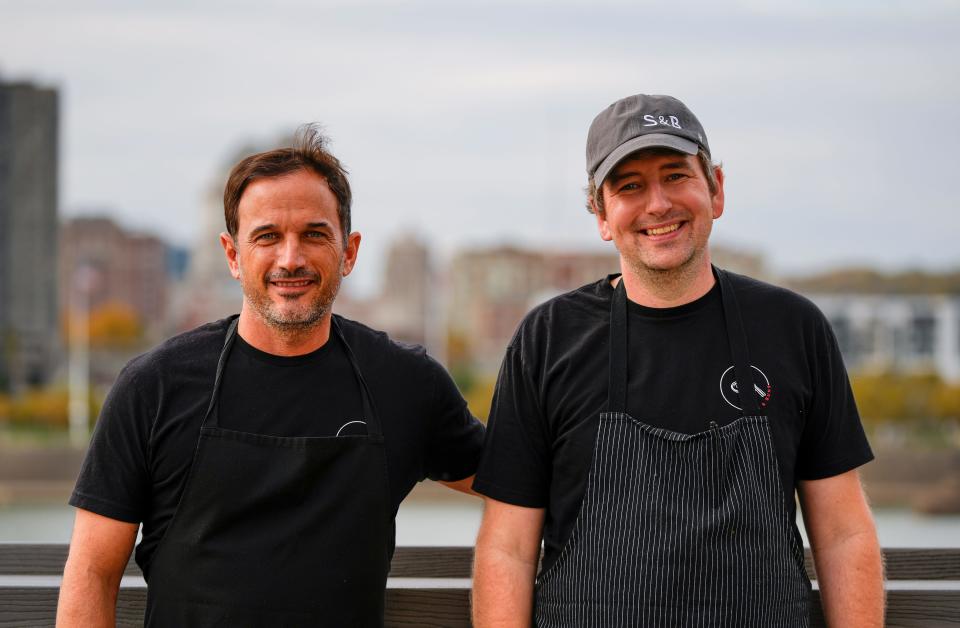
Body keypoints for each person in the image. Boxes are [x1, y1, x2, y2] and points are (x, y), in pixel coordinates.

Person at [471, 94, 884, 627]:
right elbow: (507, 548)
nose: (658, 204)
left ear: (715, 189)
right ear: (600, 214)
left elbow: (844, 532)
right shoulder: (547, 339)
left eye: (675, 176)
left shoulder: (793, 328)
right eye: (630, 187)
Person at [57, 126, 484, 627]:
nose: (290, 258)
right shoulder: (153, 388)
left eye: (314, 234)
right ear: (233, 255)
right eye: (266, 237)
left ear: (349, 251)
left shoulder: (406, 383)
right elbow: (91, 573)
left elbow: (517, 484)